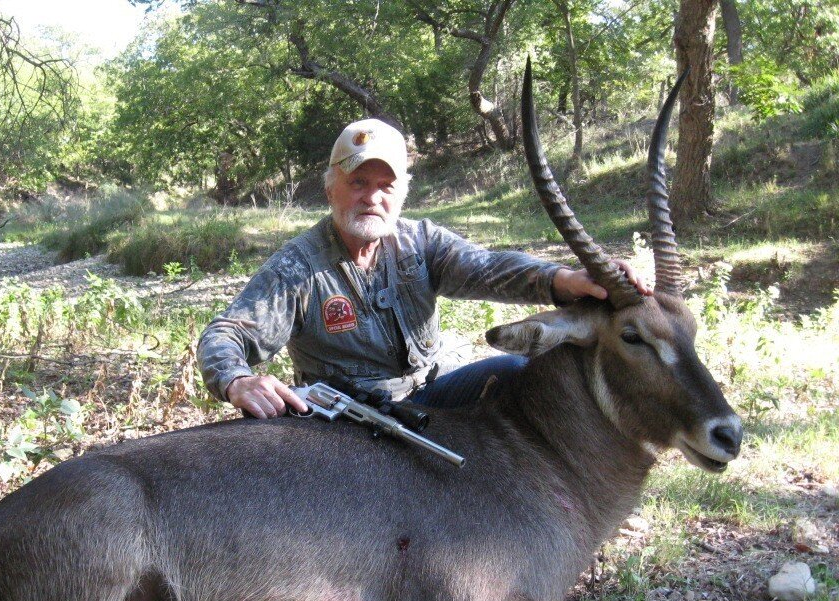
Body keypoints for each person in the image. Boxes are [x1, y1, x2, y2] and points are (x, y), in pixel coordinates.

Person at [198, 118, 650, 419]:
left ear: (403, 193)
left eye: (385, 186)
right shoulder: (298, 267)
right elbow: (226, 334)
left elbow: (487, 268)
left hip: (428, 394)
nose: (372, 197)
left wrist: (565, 280)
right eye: (358, 183)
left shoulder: (421, 241)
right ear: (331, 188)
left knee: (518, 370)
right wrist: (237, 380)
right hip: (345, 421)